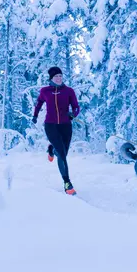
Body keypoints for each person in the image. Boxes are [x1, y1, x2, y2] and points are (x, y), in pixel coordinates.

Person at [32, 66, 80, 195]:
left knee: (64, 152)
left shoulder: (69, 91)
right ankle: (67, 183)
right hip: (51, 125)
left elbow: (76, 106)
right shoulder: (45, 91)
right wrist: (35, 115)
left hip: (65, 126)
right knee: (62, 155)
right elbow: (38, 103)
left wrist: (73, 114)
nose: (59, 78)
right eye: (56, 76)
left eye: (60, 76)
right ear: (51, 78)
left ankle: (51, 149)